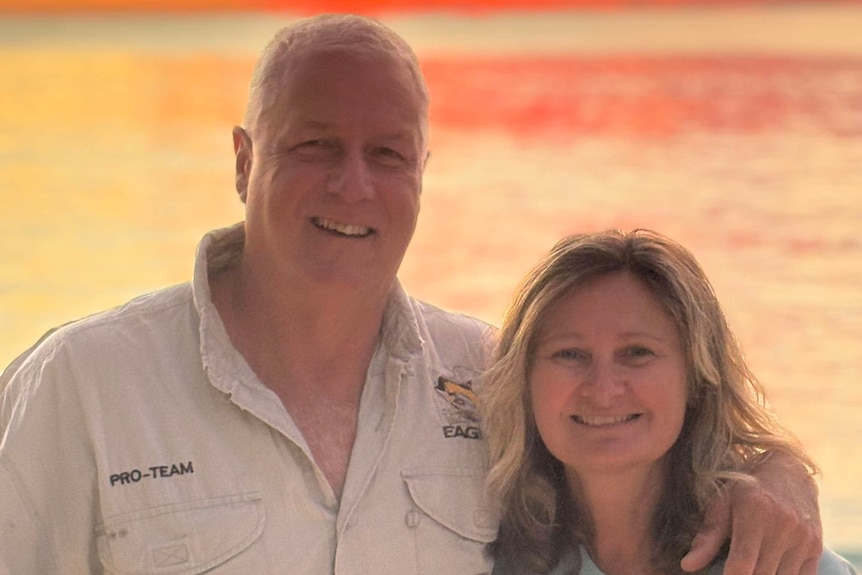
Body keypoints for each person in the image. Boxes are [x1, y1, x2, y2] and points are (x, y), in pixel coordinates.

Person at [0, 14, 823, 575]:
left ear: (423, 172)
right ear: (245, 160)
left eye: (388, 154)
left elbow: (640, 451)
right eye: (315, 144)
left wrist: (783, 476)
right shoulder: (84, 381)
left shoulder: (490, 376)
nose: (353, 184)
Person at [482, 229, 855, 575]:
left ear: (696, 377)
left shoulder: (779, 560)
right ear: (523, 379)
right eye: (570, 355)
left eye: (637, 352)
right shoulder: (476, 548)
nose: (603, 389)